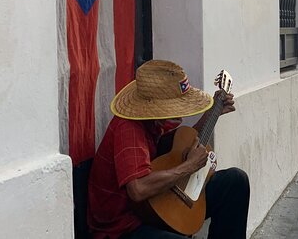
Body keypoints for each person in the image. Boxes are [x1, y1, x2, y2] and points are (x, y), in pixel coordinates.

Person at [87, 60, 250, 239]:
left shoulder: (154, 122)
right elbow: (138, 189)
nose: (180, 111)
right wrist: (188, 166)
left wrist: (211, 114)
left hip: (156, 205)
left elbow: (178, 146)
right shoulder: (129, 128)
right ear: (155, 106)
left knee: (235, 181)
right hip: (124, 226)